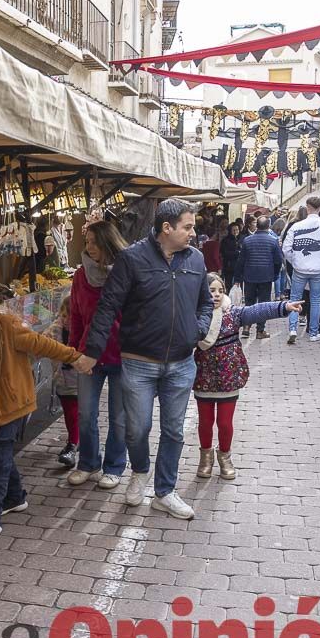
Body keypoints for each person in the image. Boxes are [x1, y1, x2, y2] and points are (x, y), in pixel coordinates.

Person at [84, 198, 211, 520]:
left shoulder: (195, 259)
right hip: (139, 363)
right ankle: (139, 470)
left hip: (181, 363)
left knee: (174, 431)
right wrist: (92, 353)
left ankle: (165, 491)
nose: (193, 233)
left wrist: (197, 329)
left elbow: (205, 303)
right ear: (166, 228)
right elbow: (108, 306)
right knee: (137, 429)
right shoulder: (132, 259)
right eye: (188, 226)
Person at [0, 278, 96, 541]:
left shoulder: (6, 326)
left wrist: (75, 357)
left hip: (10, 402)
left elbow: (42, 344)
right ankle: (14, 497)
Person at [194, 274, 298, 479]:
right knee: (205, 422)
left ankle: (225, 457)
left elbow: (257, 310)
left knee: (224, 423)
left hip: (229, 376)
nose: (216, 295)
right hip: (203, 376)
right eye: (211, 291)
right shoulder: (196, 315)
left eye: (220, 290)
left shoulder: (233, 313)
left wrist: (284, 307)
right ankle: (205, 457)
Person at [67, 221, 129, 490]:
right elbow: (76, 316)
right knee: (86, 413)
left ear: (108, 242)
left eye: (94, 242)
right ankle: (88, 463)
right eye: (87, 242)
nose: (89, 247)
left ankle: (114, 466)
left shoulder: (126, 273)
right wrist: (72, 352)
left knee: (118, 416)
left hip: (121, 354)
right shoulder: (81, 276)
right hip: (88, 355)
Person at [281, 195, 320, 344]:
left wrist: (295, 261)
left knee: (294, 299)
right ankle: (313, 332)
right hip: (318, 270)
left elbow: (286, 248)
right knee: (315, 301)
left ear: (307, 208)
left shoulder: (296, 226)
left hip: (299, 269)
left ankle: (293, 329)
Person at [239, 217, 285, 339]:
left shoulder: (247, 240)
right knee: (263, 304)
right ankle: (260, 331)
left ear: (257, 226)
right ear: (268, 226)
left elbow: (241, 260)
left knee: (249, 302)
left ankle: (246, 327)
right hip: (266, 277)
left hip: (249, 276)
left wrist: (238, 277)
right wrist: (275, 274)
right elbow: (278, 260)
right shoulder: (273, 241)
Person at [53, 301, 79, 468]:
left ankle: (72, 445)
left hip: (81, 381)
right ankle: (74, 441)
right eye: (64, 316)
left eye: (71, 316)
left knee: (75, 413)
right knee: (70, 413)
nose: (67, 320)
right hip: (62, 379)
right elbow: (41, 341)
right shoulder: (55, 329)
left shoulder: (83, 329)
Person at [219, 219, 243, 290]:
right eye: (234, 230)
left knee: (239, 283)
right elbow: (224, 253)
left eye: (237, 230)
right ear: (230, 231)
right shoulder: (225, 240)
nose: (236, 232)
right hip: (229, 265)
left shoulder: (241, 239)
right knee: (228, 283)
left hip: (239, 265)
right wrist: (237, 253)